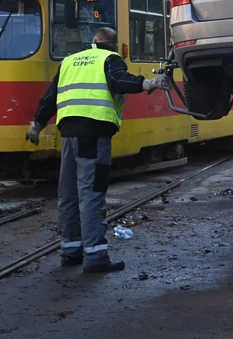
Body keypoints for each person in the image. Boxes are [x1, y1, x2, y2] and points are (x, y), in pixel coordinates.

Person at [27, 27, 170, 272]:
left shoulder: (70, 61)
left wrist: (37, 125)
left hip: (69, 135)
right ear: (113, 46)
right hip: (93, 136)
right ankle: (95, 257)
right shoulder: (110, 59)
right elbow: (118, 80)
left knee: (69, 194)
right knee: (92, 194)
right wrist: (148, 83)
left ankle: (71, 251)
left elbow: (49, 98)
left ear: (93, 41)